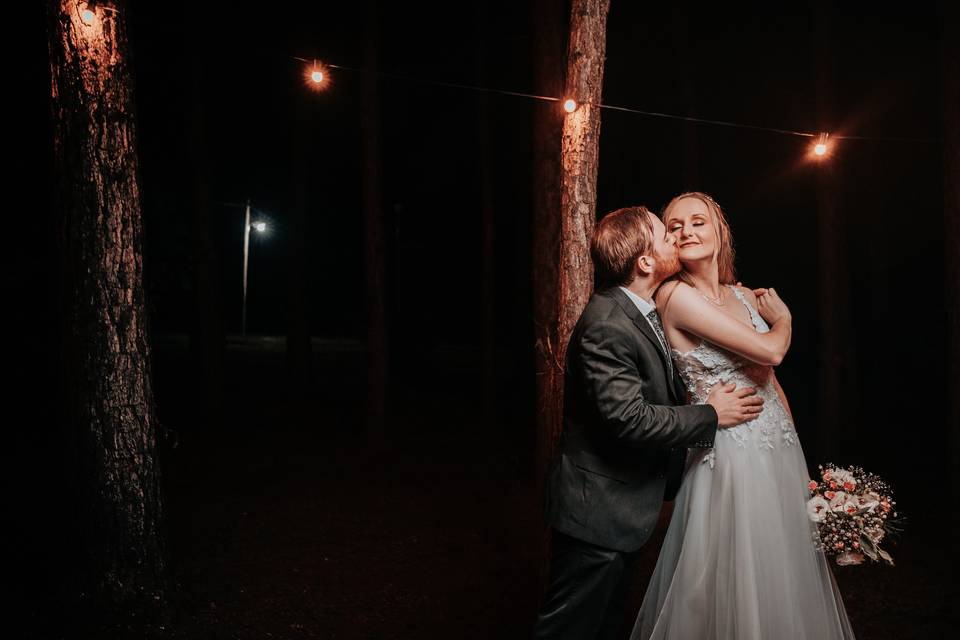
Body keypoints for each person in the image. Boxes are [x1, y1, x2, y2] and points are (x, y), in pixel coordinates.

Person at [629, 192, 855, 639]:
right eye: (674, 226)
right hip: (729, 455)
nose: (686, 231)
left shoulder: (741, 295)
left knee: (781, 572)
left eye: (698, 222)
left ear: (719, 232)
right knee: (726, 579)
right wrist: (784, 319)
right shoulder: (675, 296)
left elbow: (769, 378)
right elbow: (773, 348)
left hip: (777, 454)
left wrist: (802, 468)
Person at [534, 205, 764, 640]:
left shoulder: (641, 310)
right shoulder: (606, 323)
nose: (674, 240)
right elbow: (630, 419)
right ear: (644, 261)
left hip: (623, 511)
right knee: (567, 630)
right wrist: (711, 414)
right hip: (596, 513)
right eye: (664, 235)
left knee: (601, 627)